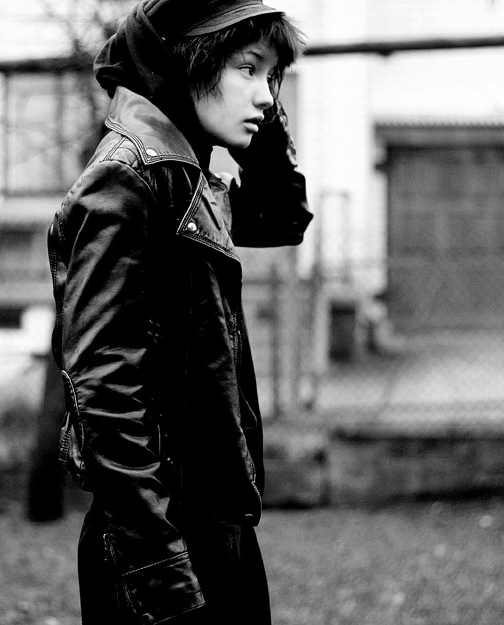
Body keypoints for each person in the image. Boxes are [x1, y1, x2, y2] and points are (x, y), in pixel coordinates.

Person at [47, 1, 312, 623]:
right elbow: (104, 393)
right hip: (160, 542)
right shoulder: (126, 181)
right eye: (247, 69)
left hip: (213, 523)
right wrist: (161, 575)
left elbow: (280, 216)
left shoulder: (184, 177)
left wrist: (261, 110)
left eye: (272, 76)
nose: (266, 95)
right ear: (185, 63)